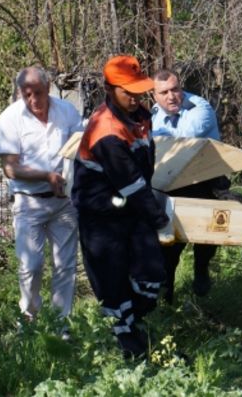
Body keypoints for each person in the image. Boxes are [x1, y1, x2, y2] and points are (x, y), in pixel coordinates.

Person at [72, 55, 170, 359]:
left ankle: (132, 324)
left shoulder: (141, 115)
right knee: (112, 284)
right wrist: (160, 218)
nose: (135, 97)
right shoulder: (106, 131)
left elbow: (144, 171)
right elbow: (132, 185)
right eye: (127, 91)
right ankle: (126, 345)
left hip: (129, 209)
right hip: (101, 215)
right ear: (109, 88)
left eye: (138, 90)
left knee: (152, 276)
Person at [0, 66, 82, 334]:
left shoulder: (67, 111)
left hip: (64, 202)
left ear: (50, 88)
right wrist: (46, 176)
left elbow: (80, 146)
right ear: (20, 92)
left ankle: (60, 326)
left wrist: (70, 178)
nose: (33, 100)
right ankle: (29, 319)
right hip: (28, 202)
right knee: (31, 266)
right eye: (27, 93)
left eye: (39, 93)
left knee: (65, 266)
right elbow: (10, 167)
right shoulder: (9, 119)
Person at [151, 69, 228, 301]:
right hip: (173, 179)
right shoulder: (153, 114)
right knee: (168, 246)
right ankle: (166, 299)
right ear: (154, 95)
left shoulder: (200, 108)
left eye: (175, 89)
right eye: (164, 92)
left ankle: (201, 268)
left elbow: (182, 144)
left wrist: (156, 139)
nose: (171, 96)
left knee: (206, 235)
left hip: (205, 177)